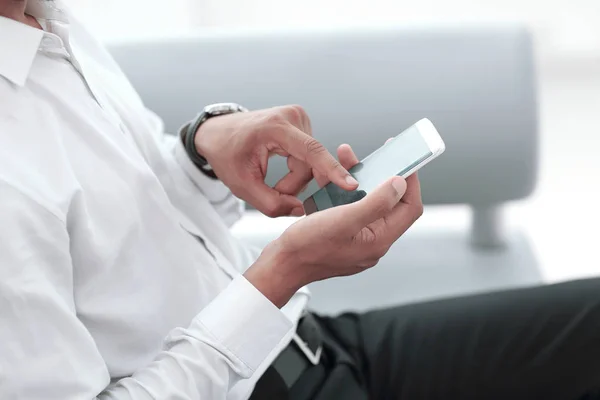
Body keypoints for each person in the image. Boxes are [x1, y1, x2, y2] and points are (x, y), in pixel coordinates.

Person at [1, 1, 599, 399]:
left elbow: (127, 219)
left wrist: (201, 151)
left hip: (314, 346)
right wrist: (281, 273)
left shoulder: (48, 25)